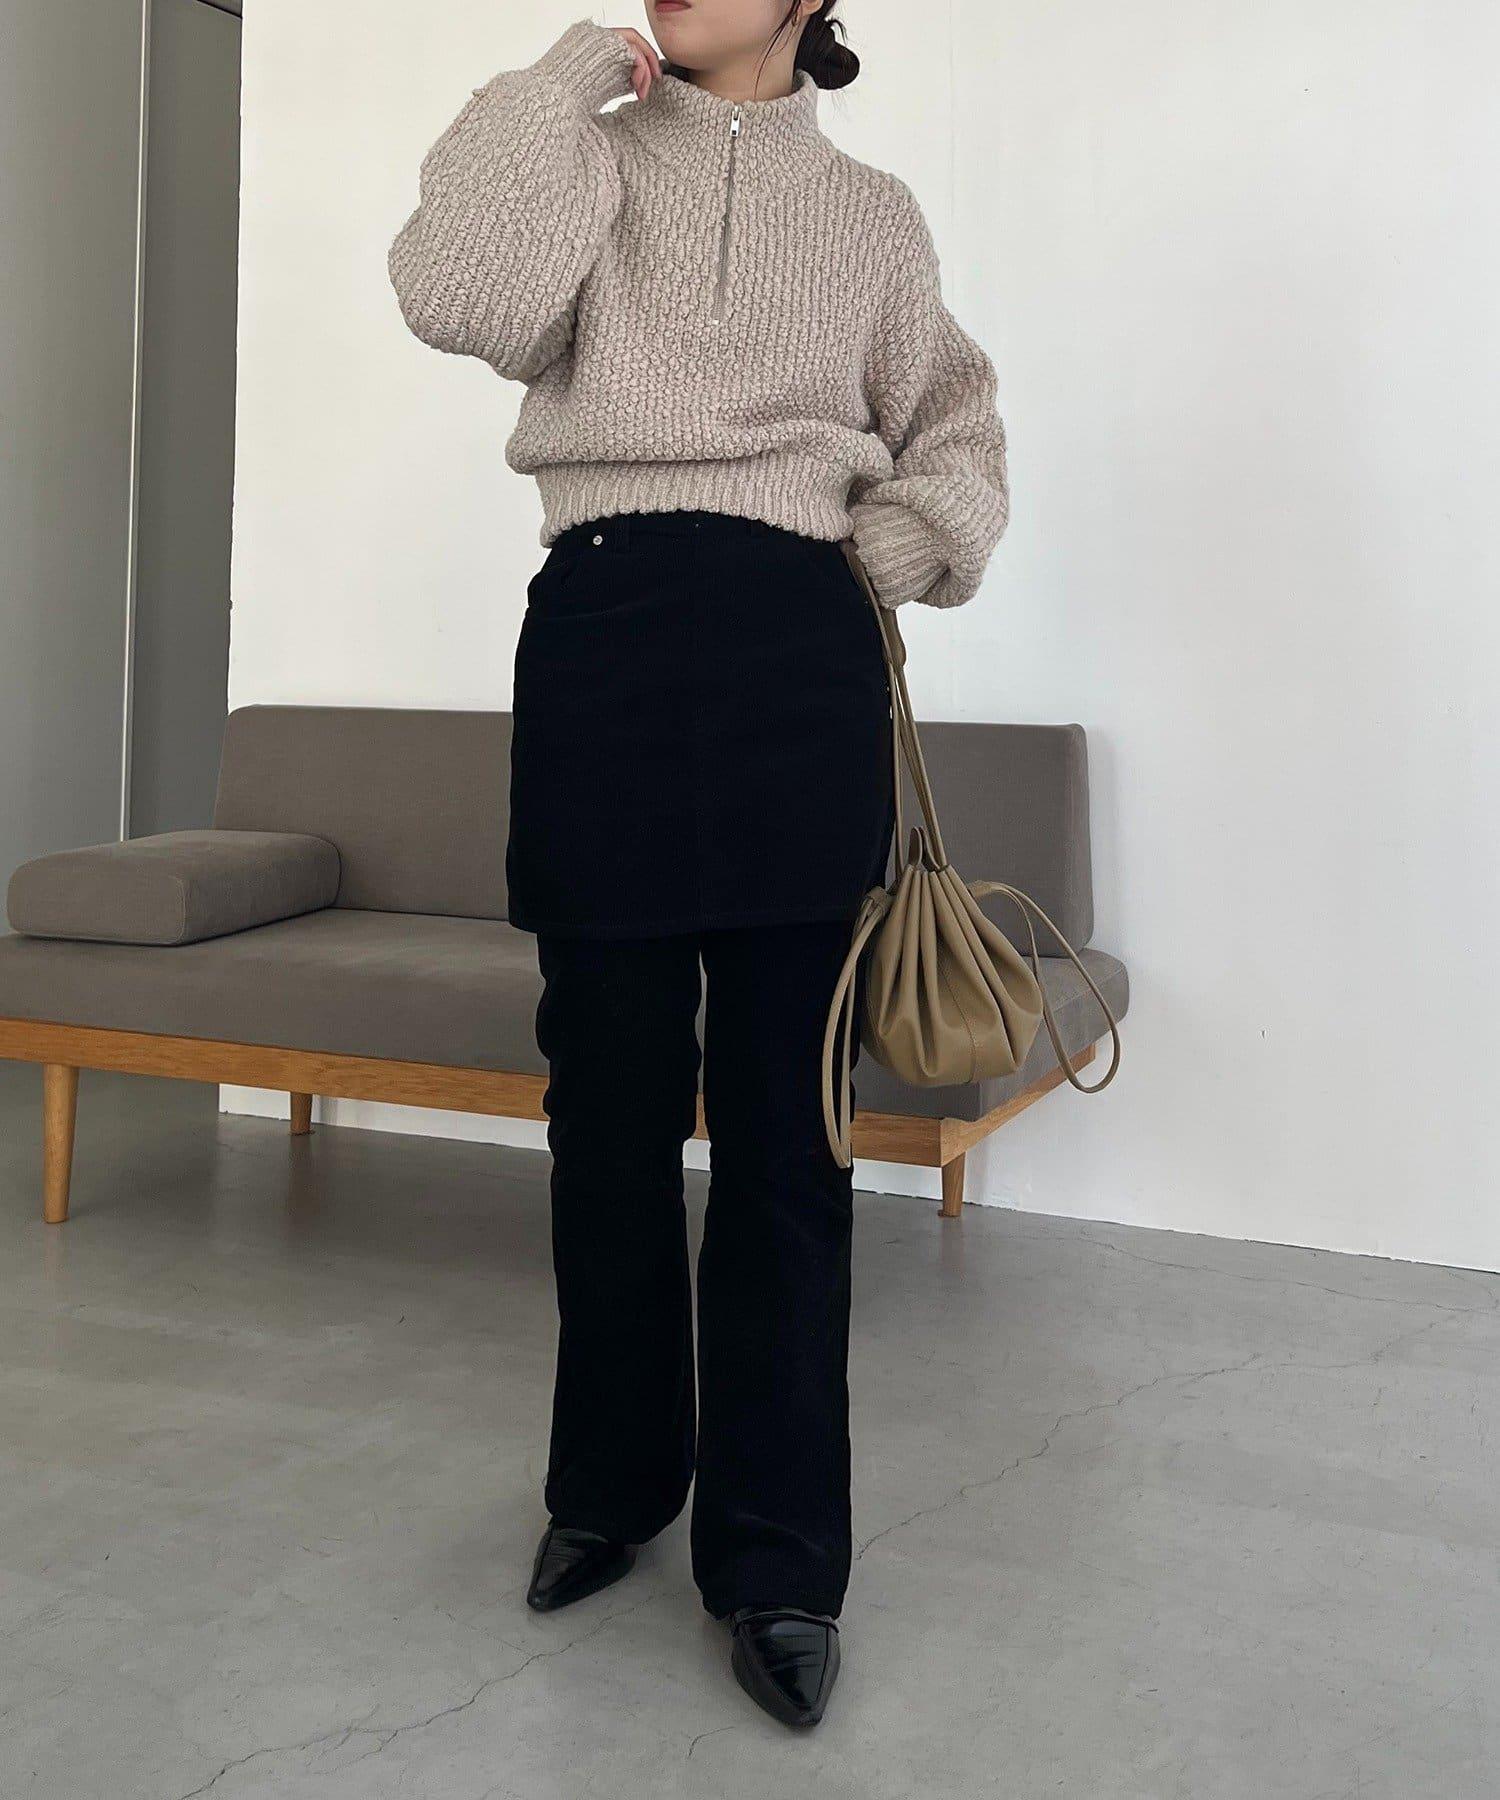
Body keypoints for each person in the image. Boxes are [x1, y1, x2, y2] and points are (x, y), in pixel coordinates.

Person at [388, 0, 1008, 1729]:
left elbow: (957, 423)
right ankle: (608, 1485)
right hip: (605, 636)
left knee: (790, 1135)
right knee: (604, 1112)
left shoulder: (872, 215)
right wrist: (563, 81)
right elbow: (460, 299)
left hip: (798, 657)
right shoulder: (580, 155)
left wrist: (893, 544)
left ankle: (781, 1558)